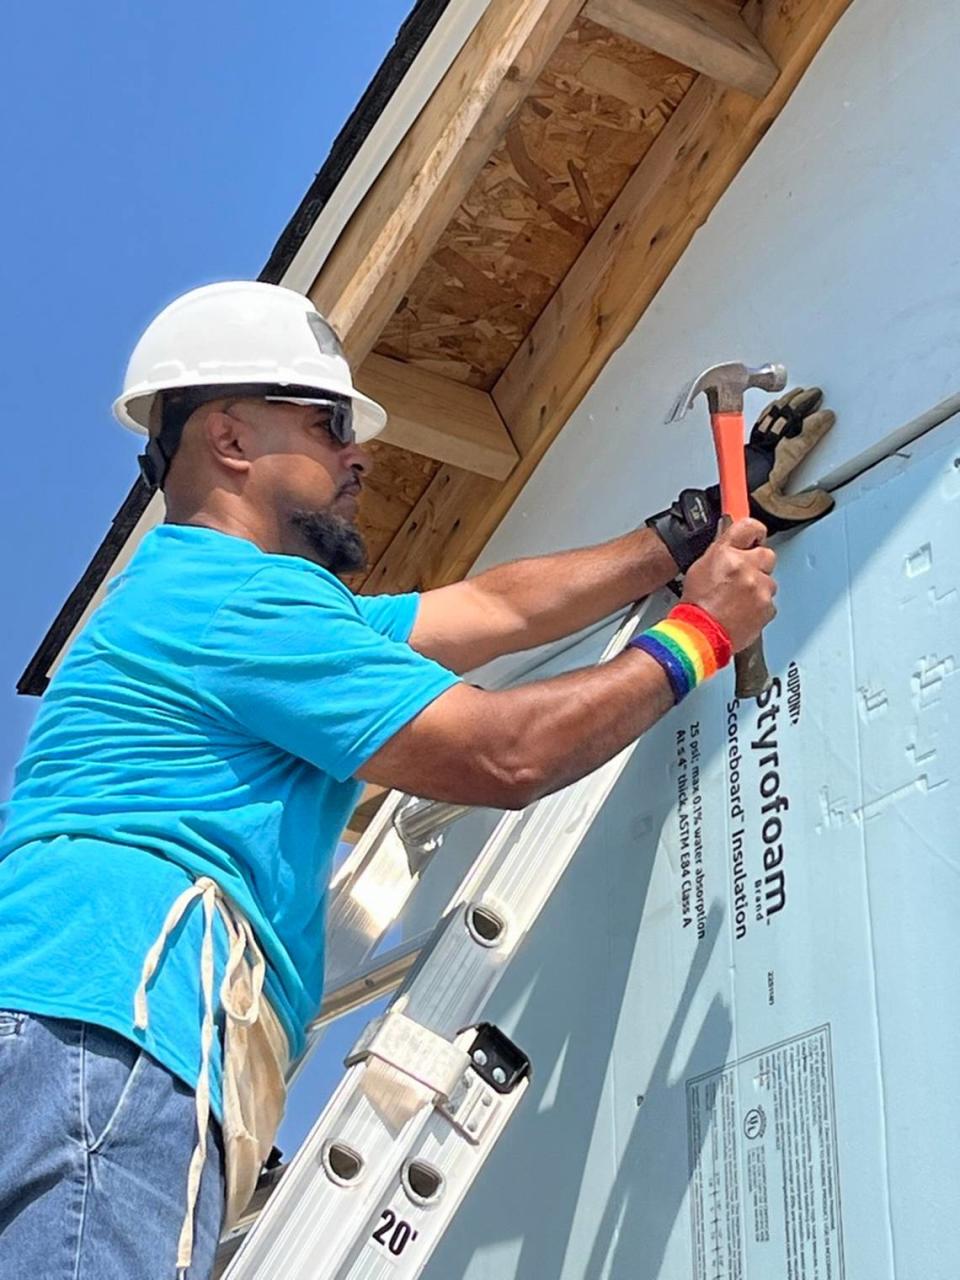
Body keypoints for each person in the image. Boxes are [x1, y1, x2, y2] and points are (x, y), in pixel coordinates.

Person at [0, 281, 835, 1279]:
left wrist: (685, 530)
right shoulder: (244, 607)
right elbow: (501, 753)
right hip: (114, 1030)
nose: (357, 452)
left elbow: (487, 608)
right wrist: (701, 629)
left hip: (63, 1027)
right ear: (228, 437)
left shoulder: (207, 598)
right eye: (325, 423)